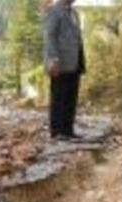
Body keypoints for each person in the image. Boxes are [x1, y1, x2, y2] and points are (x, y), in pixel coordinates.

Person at [43, 0, 85, 140]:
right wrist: (53, 59)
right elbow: (50, 36)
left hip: (75, 60)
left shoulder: (74, 13)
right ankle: (57, 132)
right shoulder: (54, 11)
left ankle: (68, 130)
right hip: (60, 61)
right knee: (59, 96)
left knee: (71, 96)